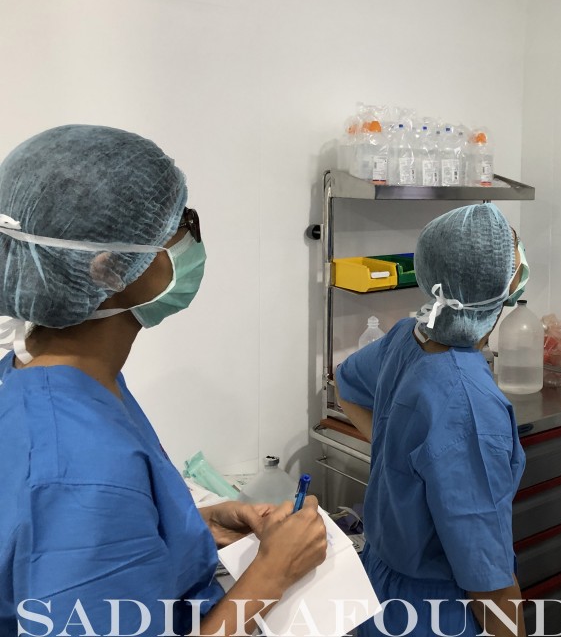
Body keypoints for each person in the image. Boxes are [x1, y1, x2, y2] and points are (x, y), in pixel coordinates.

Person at [0, 125, 327, 637]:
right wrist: (271, 576)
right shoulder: (79, 466)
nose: (192, 238)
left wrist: (196, 528)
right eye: (181, 222)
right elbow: (80, 517)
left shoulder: (48, 374)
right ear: (108, 270)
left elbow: (84, 551)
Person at [336, 203, 528, 637]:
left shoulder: (407, 336)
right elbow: (489, 584)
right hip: (437, 613)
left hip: (379, 590)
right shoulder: (470, 407)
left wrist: (393, 456)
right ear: (505, 283)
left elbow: (345, 386)